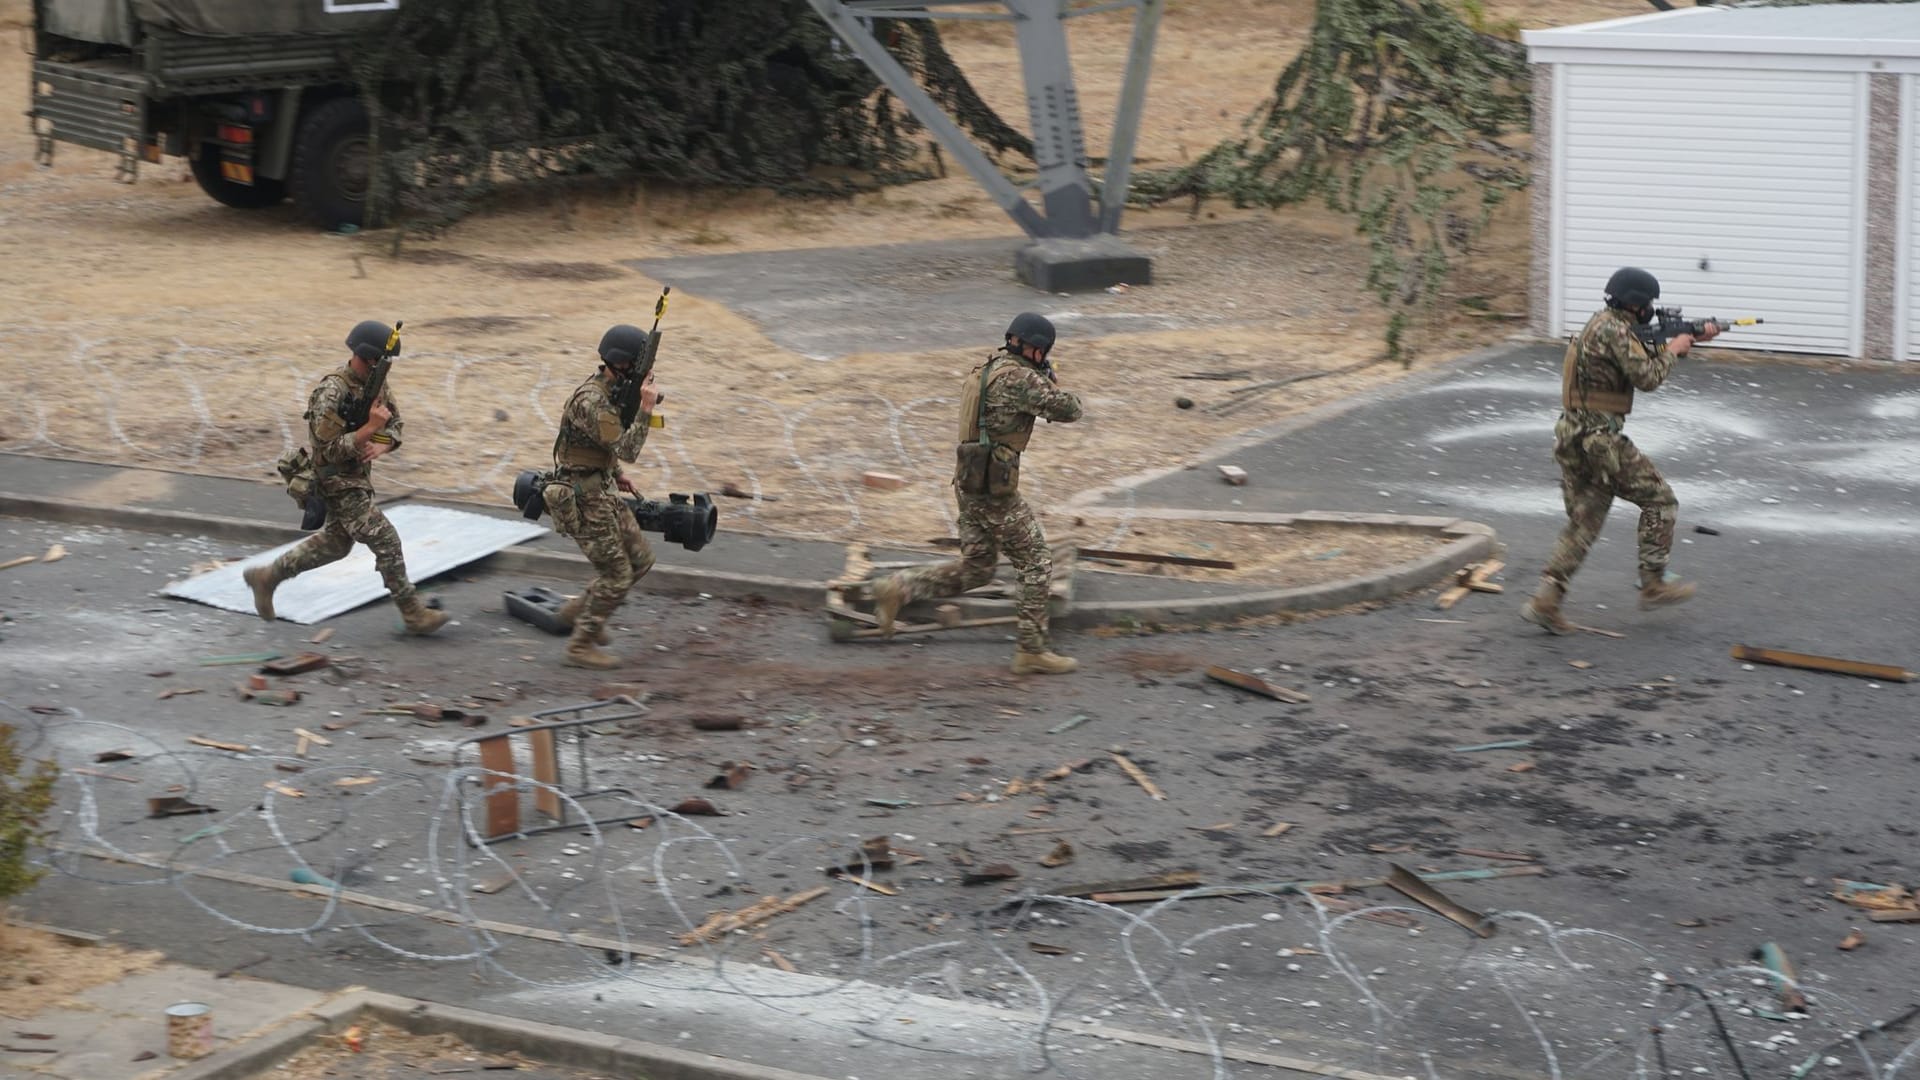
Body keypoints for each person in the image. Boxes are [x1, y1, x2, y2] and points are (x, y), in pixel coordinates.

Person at [872, 312, 1083, 674]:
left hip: (967, 483)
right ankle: (1031, 649)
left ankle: (899, 587)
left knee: (979, 568)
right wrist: (1049, 381)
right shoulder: (1022, 379)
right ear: (1034, 347)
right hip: (993, 490)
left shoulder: (987, 369)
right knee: (1035, 562)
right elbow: (1070, 410)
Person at [1522, 267, 1718, 634]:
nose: (1652, 311)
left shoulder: (1601, 324)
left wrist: (1684, 339)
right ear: (1636, 304)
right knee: (1661, 500)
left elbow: (1635, 358)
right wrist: (1674, 350)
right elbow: (1647, 377)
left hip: (1573, 437)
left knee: (1584, 523)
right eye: (1649, 305)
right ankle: (1654, 584)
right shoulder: (1616, 330)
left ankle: (1545, 601)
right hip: (1600, 441)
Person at [244, 321, 449, 635]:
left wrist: (380, 445)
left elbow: (395, 425)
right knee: (385, 538)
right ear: (366, 358)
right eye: (382, 361)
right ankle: (413, 614)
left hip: (357, 478)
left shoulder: (375, 385)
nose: (387, 368)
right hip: (335, 481)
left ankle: (268, 576)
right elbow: (325, 450)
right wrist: (367, 429)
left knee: (336, 544)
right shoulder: (332, 392)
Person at [540, 325, 659, 669]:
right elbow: (628, 447)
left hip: (601, 487)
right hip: (584, 498)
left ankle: (579, 612)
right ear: (619, 364)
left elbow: (597, 448)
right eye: (637, 368)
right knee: (617, 575)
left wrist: (616, 473)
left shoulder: (610, 393)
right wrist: (646, 410)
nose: (643, 375)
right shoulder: (593, 401)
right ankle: (581, 645)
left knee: (642, 561)